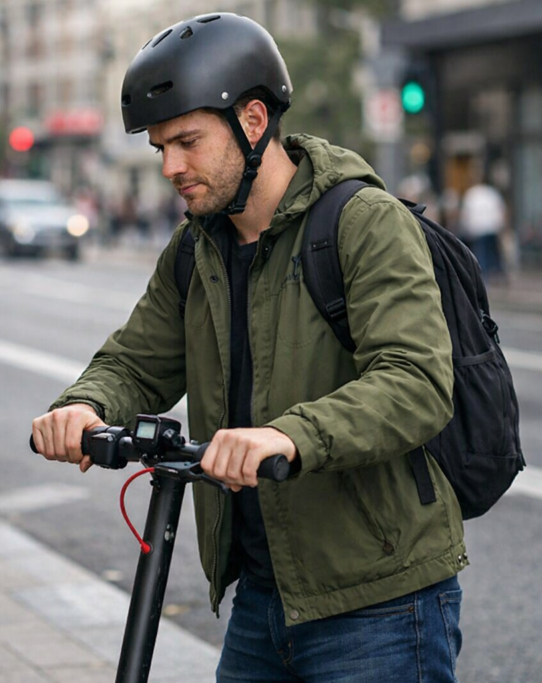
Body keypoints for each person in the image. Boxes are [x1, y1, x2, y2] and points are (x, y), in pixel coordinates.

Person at [30, 13, 464, 682]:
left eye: (188, 141)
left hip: (380, 604)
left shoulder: (361, 222)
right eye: (159, 148)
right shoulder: (196, 247)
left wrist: (288, 436)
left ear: (254, 121)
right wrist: (84, 405)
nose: (171, 166)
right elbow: (135, 361)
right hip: (260, 600)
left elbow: (416, 383)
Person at [460, 170, 507, 281]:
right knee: (493, 254)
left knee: (481, 255)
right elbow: (501, 210)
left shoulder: (471, 194)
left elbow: (466, 214)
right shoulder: (492, 193)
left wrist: (466, 228)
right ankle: (497, 275)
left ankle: (483, 278)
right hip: (492, 228)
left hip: (478, 229)